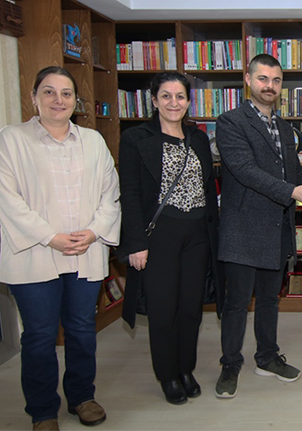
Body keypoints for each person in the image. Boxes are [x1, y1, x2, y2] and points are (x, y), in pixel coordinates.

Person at [0, 66, 120, 431]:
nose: (58, 100)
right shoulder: (11, 139)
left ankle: (82, 396)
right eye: (49, 92)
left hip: (84, 250)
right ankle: (43, 411)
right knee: (39, 335)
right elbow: (7, 199)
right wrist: (49, 236)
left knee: (82, 329)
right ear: (34, 98)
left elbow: (110, 194)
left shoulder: (93, 141)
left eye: (66, 93)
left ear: (75, 101)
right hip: (33, 253)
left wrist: (94, 231)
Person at [118, 72, 224, 406]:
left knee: (191, 307)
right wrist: (136, 242)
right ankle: (167, 374)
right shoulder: (136, 138)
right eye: (166, 96)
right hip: (159, 235)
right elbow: (130, 193)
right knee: (164, 309)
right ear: (154, 100)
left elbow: (208, 189)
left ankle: (186, 368)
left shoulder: (198, 138)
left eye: (180, 96)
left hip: (198, 234)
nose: (173, 103)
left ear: (189, 101)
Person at [215, 54, 302, 398]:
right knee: (237, 302)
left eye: (275, 80)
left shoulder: (286, 128)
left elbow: (294, 171)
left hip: (277, 226)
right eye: (262, 78)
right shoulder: (230, 122)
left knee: (270, 299)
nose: (269, 86)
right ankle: (230, 364)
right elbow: (246, 171)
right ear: (248, 80)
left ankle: (267, 357)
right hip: (243, 228)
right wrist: (291, 191)